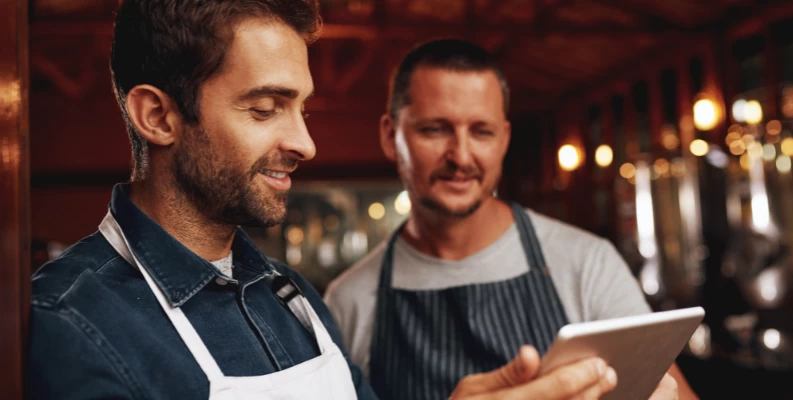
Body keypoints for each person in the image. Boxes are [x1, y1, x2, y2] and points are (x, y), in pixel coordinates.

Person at [27, 2, 620, 399]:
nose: (306, 142)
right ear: (158, 116)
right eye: (264, 109)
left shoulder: (291, 296)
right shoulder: (70, 323)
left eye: (301, 108)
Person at [324, 39, 698, 400]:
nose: (461, 156)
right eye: (435, 130)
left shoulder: (588, 264)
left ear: (503, 139)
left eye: (481, 131)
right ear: (391, 137)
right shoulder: (349, 300)